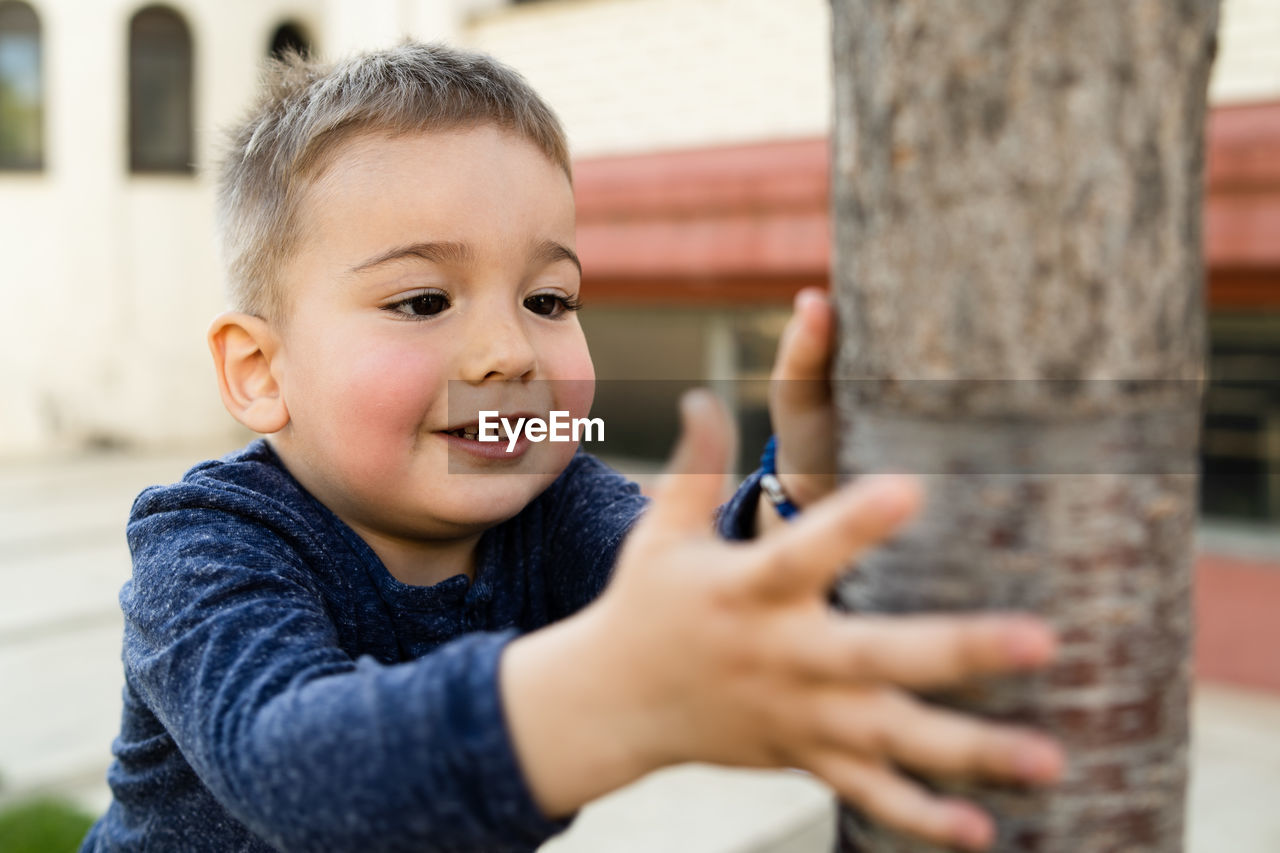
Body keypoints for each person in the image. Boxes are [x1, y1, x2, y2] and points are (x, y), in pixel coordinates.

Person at [81, 43, 1063, 853]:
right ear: (260, 369)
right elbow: (294, 766)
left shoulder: (558, 509)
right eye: (423, 300)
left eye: (548, 299)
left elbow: (692, 583)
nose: (509, 352)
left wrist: (798, 495)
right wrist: (609, 694)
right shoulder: (206, 546)